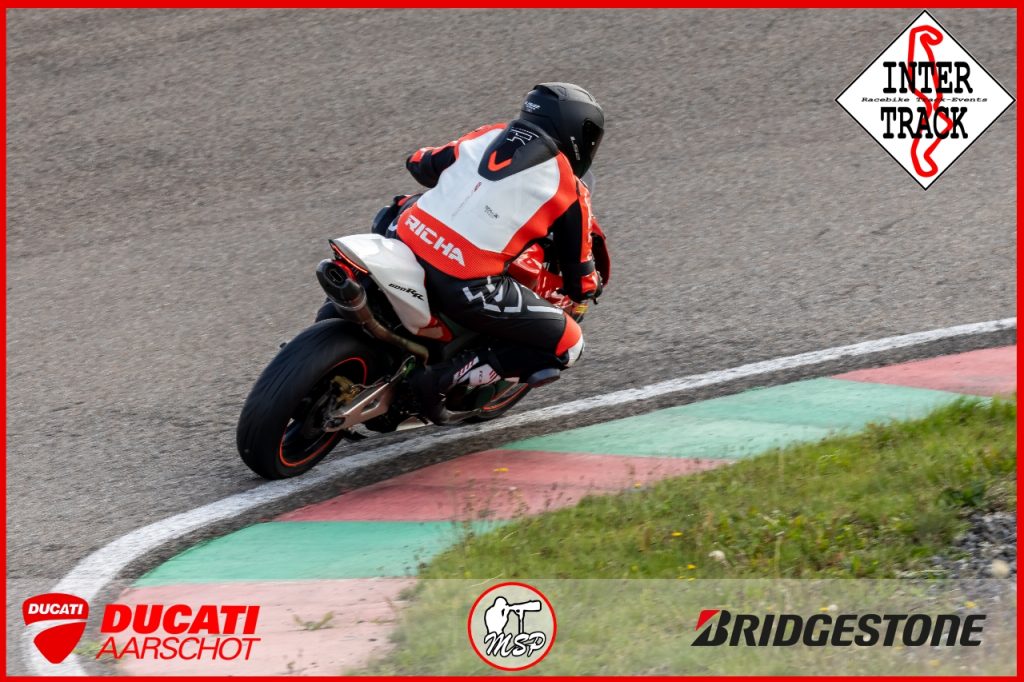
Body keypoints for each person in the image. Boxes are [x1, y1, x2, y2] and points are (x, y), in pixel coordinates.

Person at [381, 83, 607, 423]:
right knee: (570, 344)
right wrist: (593, 284)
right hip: (464, 282)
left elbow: (420, 164)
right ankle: (437, 382)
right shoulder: (570, 187)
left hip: (403, 236)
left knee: (394, 208)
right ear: (575, 132)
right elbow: (579, 279)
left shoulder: (489, 134)